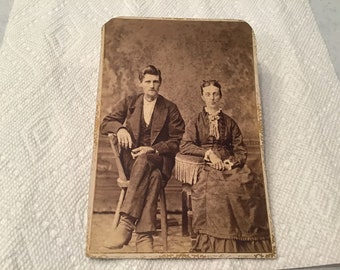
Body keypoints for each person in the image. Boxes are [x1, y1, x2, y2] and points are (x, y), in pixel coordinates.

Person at [179, 80, 271, 253]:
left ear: (220, 96)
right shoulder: (195, 122)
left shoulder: (230, 123)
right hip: (205, 165)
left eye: (215, 94)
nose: (212, 98)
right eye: (208, 94)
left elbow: (241, 150)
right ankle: (215, 240)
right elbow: (185, 146)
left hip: (228, 164)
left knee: (246, 182)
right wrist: (207, 154)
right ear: (202, 97)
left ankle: (243, 239)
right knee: (216, 187)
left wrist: (231, 163)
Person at [100, 65, 185, 252]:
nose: (152, 85)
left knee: (147, 160)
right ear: (141, 83)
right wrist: (120, 128)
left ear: (160, 84)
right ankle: (144, 235)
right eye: (148, 81)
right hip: (131, 163)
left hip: (158, 159)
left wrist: (152, 149)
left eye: (155, 82)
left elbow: (175, 142)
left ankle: (126, 223)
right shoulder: (129, 103)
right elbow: (105, 122)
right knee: (153, 177)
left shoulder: (170, 108)